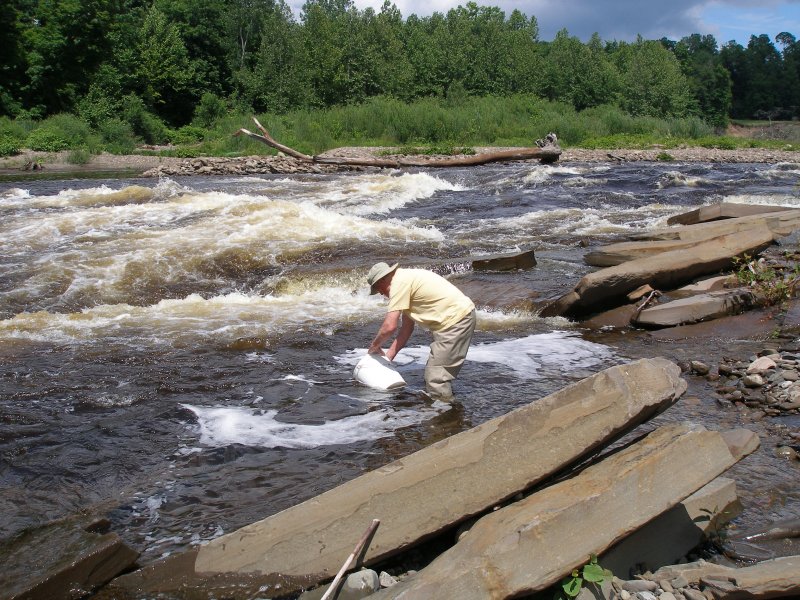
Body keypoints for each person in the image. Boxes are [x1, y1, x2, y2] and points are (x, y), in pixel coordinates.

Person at [366, 262, 476, 400]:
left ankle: (444, 417)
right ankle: (444, 409)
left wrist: (374, 347)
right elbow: (407, 329)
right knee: (436, 375)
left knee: (436, 379)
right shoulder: (405, 279)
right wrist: (388, 359)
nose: (381, 293)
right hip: (459, 318)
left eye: (378, 288)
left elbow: (389, 326)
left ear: (383, 278)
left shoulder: (398, 284)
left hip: (455, 322)